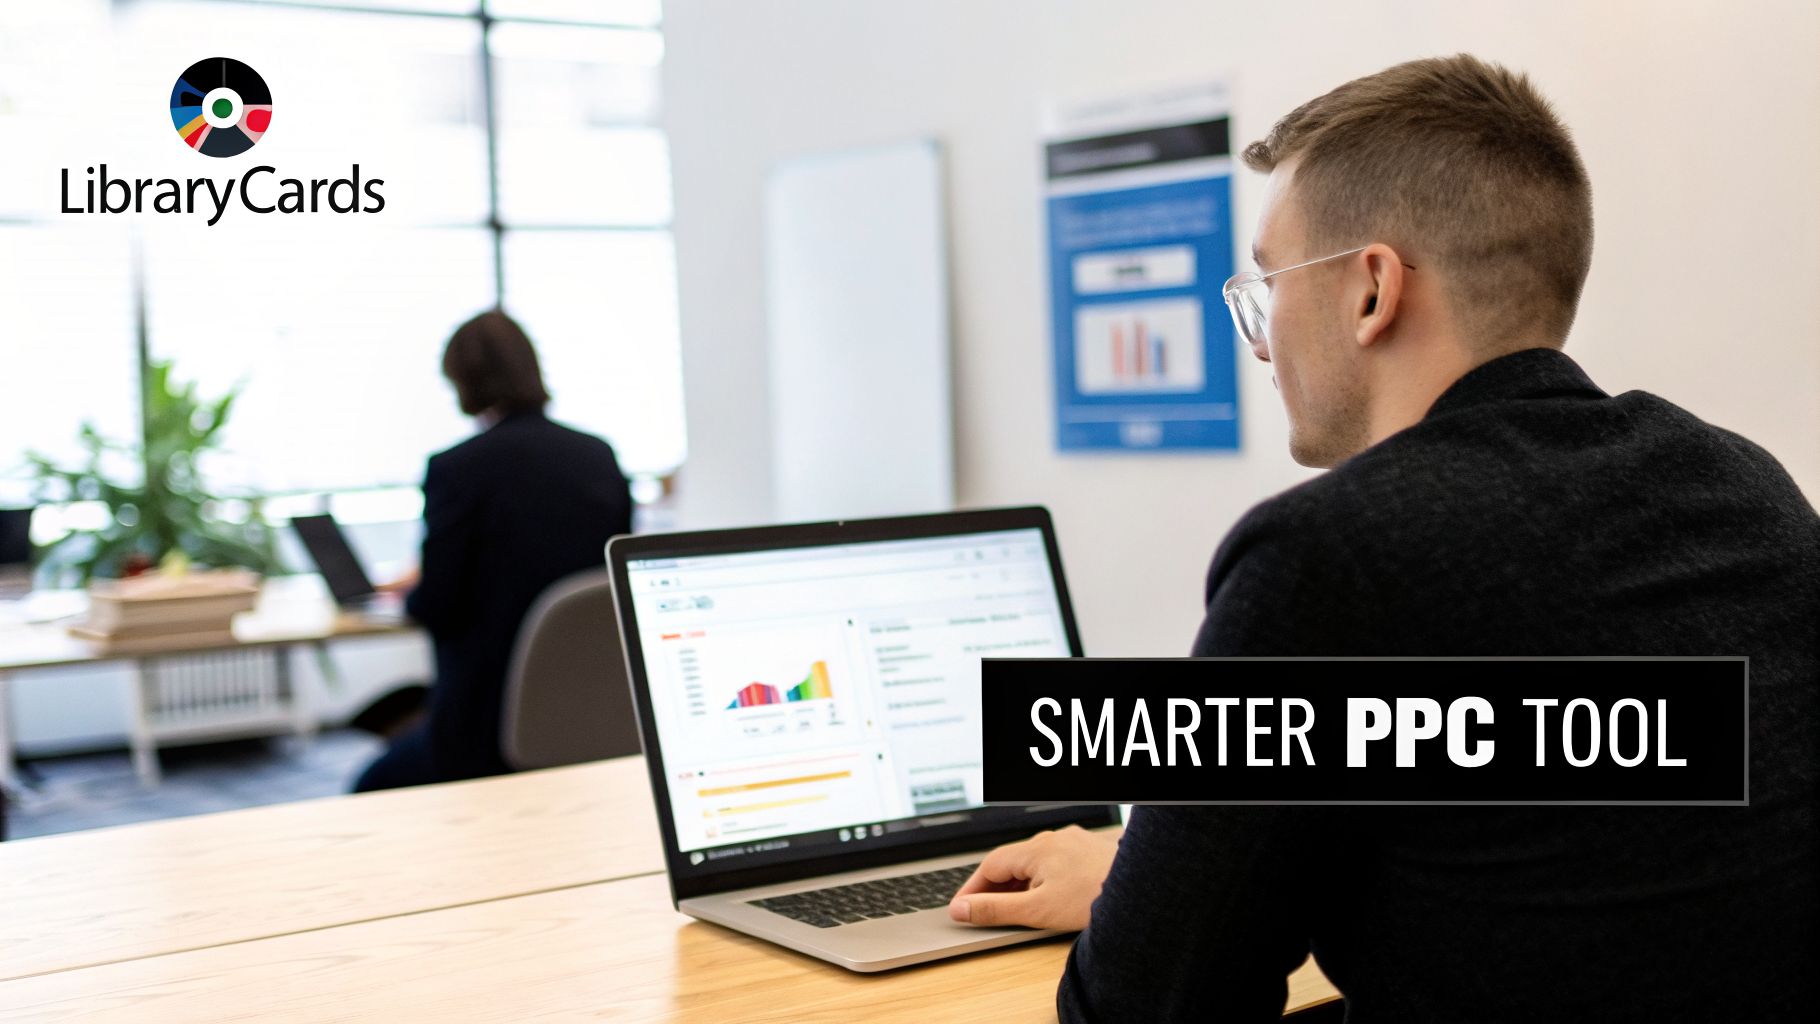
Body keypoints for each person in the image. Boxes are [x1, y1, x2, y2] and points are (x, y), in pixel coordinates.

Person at [948, 56, 1819, 1021]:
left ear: (1371, 291)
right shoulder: (1745, 488)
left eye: (1268, 282)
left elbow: (1144, 1004)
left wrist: (1151, 893)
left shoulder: (1334, 554)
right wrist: (1158, 866)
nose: (1263, 339)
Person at [353, 310, 634, 792]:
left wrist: (414, 590)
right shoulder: (598, 456)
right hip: (592, 723)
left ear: (462, 382)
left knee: (372, 784)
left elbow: (436, 605)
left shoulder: (457, 469)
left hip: (482, 730)